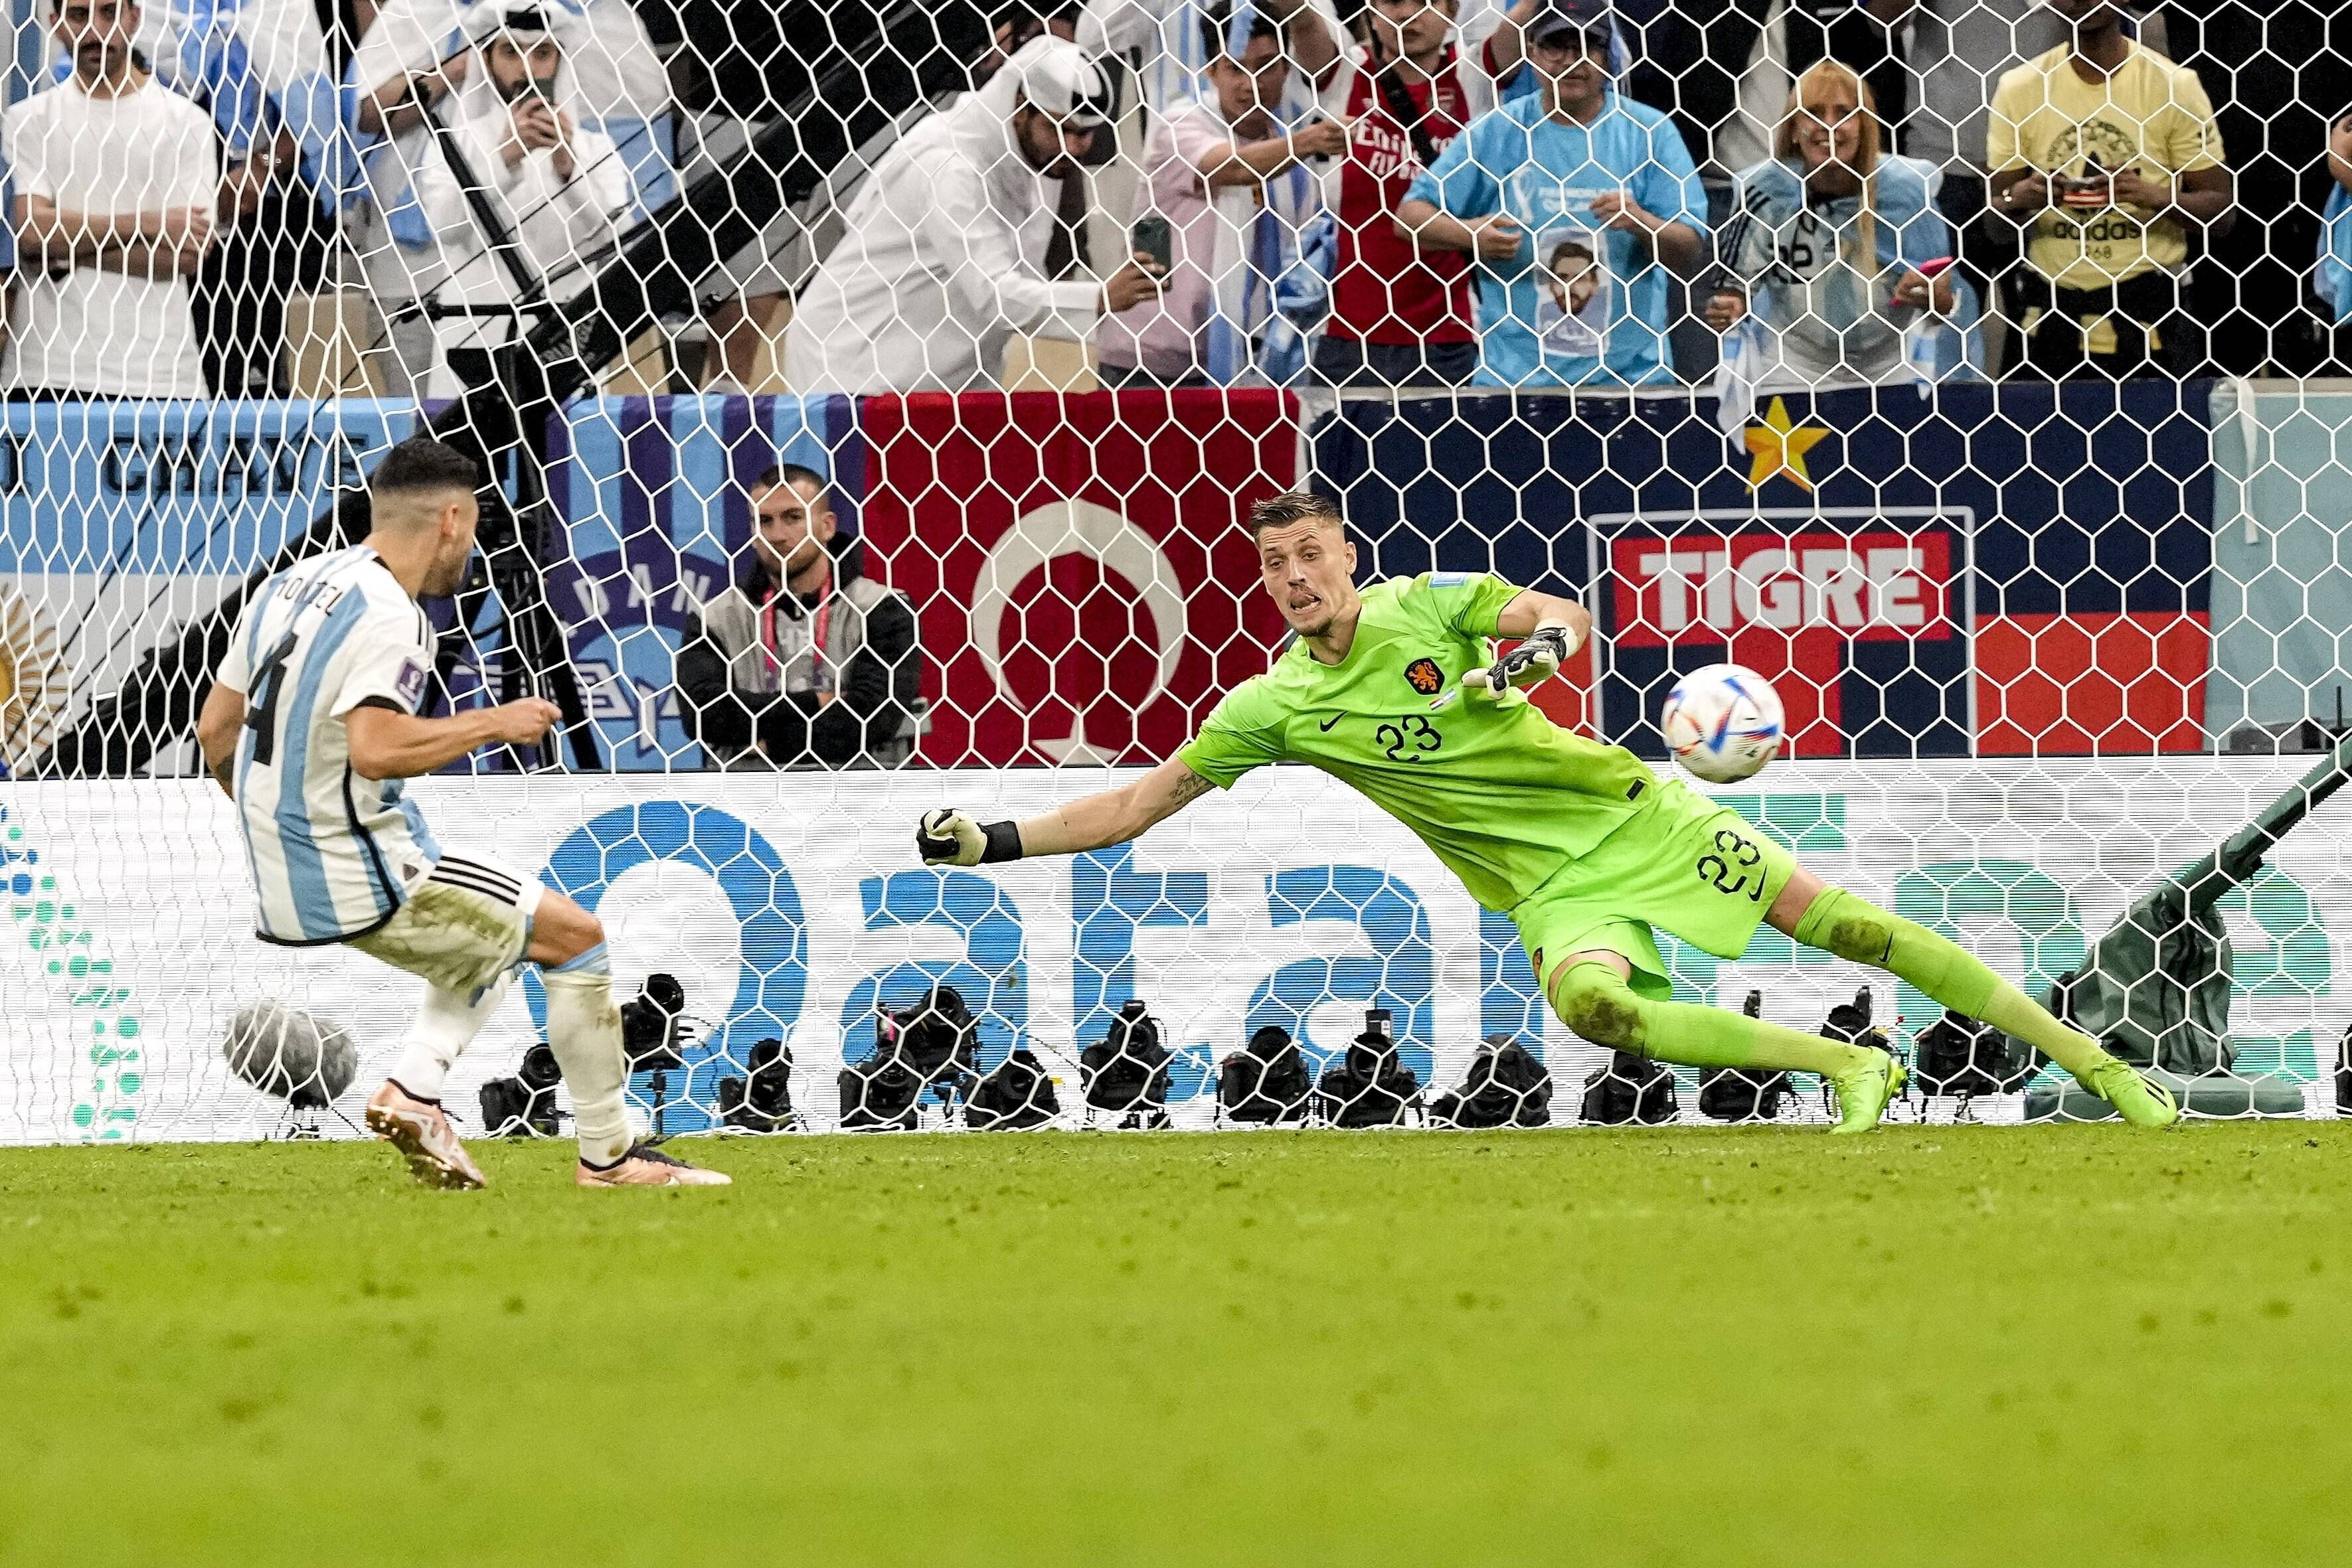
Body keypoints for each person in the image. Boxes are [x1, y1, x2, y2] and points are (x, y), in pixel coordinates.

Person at [913, 489, 2180, 1136]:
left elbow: (1562, 622)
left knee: (1844, 929)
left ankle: (2101, 1068)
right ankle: (1854, 1062)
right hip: (1553, 887)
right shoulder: (1270, 707)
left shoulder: (1431, 603)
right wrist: (994, 839)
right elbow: (1138, 804)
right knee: (1595, 1008)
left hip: (1639, 818)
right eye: (1273, 566)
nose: (1295, 578)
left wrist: (1521, 663)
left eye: (1312, 556)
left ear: (1347, 556)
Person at [192, 435, 728, 1190]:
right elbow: (376, 749)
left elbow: (216, 728)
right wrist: (492, 721)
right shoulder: (394, 614)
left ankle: (415, 1094)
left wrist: (273, 827)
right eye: (472, 529)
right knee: (577, 941)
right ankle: (608, 1158)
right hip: (362, 861)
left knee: (494, 940)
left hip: (288, 866)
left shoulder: (294, 584)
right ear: (450, 519)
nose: (470, 549)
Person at [782, 35, 1166, 396]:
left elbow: (1024, 284)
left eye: (1084, 135)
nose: (1072, 148)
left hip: (938, 377)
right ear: (1020, 106)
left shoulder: (1030, 162)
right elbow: (996, 295)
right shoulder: (949, 167)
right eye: (1059, 129)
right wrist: (1100, 298)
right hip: (854, 368)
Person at [1394, 0, 1707, 388]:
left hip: (1631, 380)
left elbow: (1689, 247)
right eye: (1556, 45)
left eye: (1586, 47)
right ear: (1531, 51)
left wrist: (1642, 223)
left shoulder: (1650, 132)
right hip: (1513, 382)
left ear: (1606, 55)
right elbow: (1409, 218)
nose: (1570, 60)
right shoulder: (1497, 131)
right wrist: (1471, 235)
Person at [1096, 7, 1348, 386]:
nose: (1251, 83)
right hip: (1150, 363)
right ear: (1211, 70)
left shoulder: (1294, 155)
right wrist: (1309, 141)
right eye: (1235, 68)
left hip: (1248, 363)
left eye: (1266, 66)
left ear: (1286, 70)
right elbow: (1232, 168)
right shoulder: (1181, 123)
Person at [1985, 0, 2232, 380]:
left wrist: (2152, 196)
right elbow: (1995, 224)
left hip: (2152, 328)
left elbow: (2222, 215)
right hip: (2049, 328)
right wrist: (2020, 199)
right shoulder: (2020, 89)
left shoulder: (2174, 85)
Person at [409, 7, 632, 396]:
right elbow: (444, 227)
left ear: (560, 60)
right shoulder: (453, 140)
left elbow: (618, 241)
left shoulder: (595, 147)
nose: (527, 69)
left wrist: (569, 169)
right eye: (511, 53)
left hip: (566, 342)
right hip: (475, 339)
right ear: (488, 60)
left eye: (542, 53)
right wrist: (505, 159)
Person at [1, 0, 218, 399]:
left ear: (133, 19)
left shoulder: (188, 124)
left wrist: (66, 250)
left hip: (160, 375)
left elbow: (185, 256)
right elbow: (31, 235)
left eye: (108, 13)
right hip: (45, 372)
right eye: (80, 15)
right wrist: (149, 224)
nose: (95, 31)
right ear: (56, 25)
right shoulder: (26, 120)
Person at [1707, 59, 1956, 392]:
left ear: (1864, 126)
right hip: (1793, 359)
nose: (1828, 126)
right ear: (1794, 128)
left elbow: (1943, 301)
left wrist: (1929, 295)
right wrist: (1730, 308)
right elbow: (1732, 291)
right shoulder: (1763, 191)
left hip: (1890, 360)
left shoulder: (1907, 190)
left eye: (1844, 114)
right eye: (1813, 113)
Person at [676, 464, 922, 769]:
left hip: (860, 795)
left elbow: (874, 716)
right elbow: (704, 716)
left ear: (827, 526)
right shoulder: (714, 617)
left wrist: (770, 743)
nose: (777, 535)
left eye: (793, 517)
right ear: (753, 532)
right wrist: (819, 701)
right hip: (748, 798)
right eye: (765, 521)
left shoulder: (883, 608)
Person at [1311, 0, 1495, 388]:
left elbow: (1521, 23)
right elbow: (1298, 18)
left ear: (1452, 10)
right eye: (1392, 1)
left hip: (1452, 337)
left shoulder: (1472, 72)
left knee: (1449, 450)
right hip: (1349, 335)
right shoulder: (1344, 68)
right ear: (1371, 11)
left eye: (1425, 2)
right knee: (1340, 450)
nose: (1406, 13)